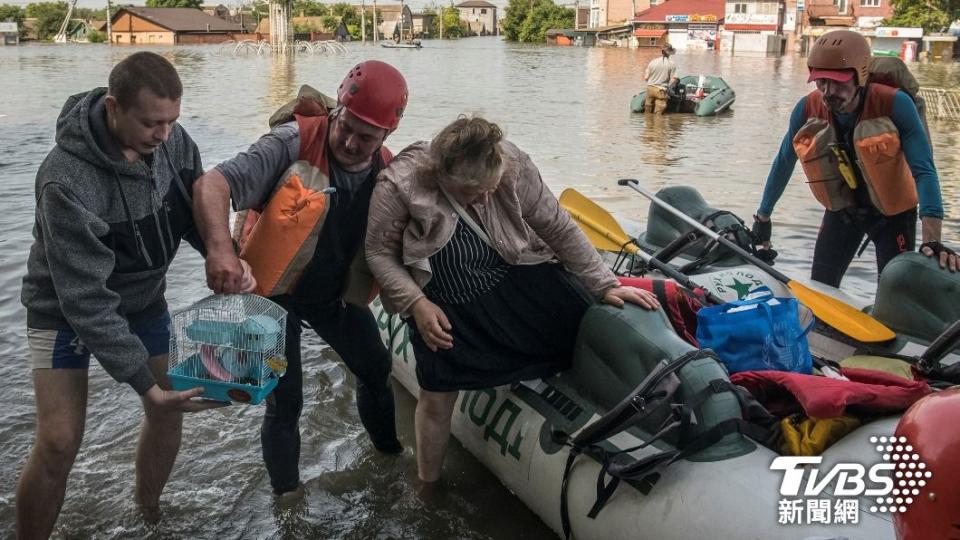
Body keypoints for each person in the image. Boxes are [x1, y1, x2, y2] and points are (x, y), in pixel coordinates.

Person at [16, 52, 241, 539]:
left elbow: (193, 208)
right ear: (114, 107)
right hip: (63, 311)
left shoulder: (173, 141)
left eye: (171, 121)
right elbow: (86, 300)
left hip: (143, 300)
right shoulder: (64, 181)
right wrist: (142, 381)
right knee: (59, 440)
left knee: (171, 404)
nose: (163, 135)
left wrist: (224, 253)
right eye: (151, 123)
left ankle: (148, 512)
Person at [365, 116, 660, 483]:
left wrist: (604, 284)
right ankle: (427, 483)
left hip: (514, 273)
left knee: (585, 326)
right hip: (447, 300)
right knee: (438, 395)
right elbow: (378, 253)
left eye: (490, 188)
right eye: (473, 192)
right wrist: (416, 304)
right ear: (441, 175)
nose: (485, 197)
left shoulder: (513, 164)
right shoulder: (400, 183)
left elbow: (557, 226)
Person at [192, 60, 408, 497]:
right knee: (286, 401)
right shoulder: (290, 142)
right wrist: (220, 251)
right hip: (271, 295)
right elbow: (211, 185)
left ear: (388, 135)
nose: (350, 141)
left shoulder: (387, 169)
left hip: (331, 295)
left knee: (376, 369)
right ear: (337, 110)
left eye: (366, 137)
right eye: (345, 126)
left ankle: (390, 461)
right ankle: (287, 500)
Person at [753, 30, 957, 287]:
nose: (828, 91)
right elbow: (784, 162)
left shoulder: (895, 104)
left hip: (893, 215)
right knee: (821, 287)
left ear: (860, 75)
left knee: (895, 289)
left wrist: (932, 239)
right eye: (821, 81)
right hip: (844, 211)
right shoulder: (807, 107)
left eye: (838, 82)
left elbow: (924, 170)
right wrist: (763, 217)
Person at [643, 44, 678, 115]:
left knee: (647, 112)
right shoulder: (672, 64)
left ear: (661, 52)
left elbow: (646, 77)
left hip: (650, 88)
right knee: (658, 115)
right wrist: (668, 88)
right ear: (670, 53)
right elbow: (674, 79)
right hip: (661, 90)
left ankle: (648, 124)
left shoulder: (653, 61)